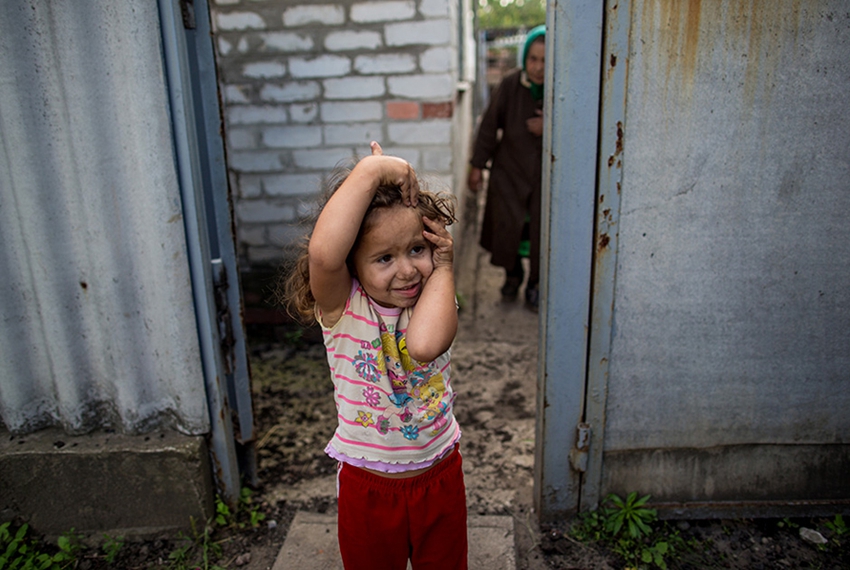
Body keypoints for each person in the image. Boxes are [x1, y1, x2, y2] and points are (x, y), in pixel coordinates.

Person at [282, 141, 467, 569]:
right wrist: (373, 171)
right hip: (369, 486)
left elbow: (422, 347)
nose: (405, 270)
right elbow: (324, 254)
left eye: (416, 250)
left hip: (438, 476)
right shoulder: (342, 308)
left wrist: (443, 265)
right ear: (353, 264)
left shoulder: (433, 296)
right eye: (384, 257)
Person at [468, 24, 545, 310]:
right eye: (533, 59)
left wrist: (550, 127)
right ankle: (513, 276)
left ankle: (536, 284)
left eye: (545, 60)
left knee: (540, 234)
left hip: (543, 182)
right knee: (508, 230)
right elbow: (489, 127)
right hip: (509, 174)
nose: (538, 67)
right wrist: (476, 166)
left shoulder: (563, 88)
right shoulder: (511, 84)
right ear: (525, 58)